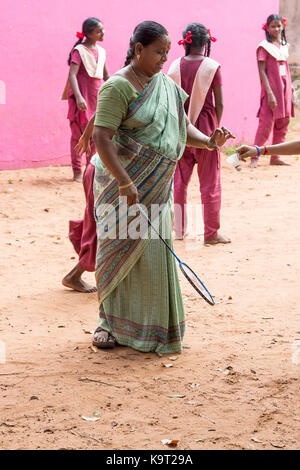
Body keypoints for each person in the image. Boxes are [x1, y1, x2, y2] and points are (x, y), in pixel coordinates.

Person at [89, 21, 234, 352]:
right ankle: (107, 324)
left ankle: (149, 329)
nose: (163, 58)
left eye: (167, 52)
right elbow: (101, 137)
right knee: (116, 253)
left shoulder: (166, 86)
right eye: (158, 52)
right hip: (122, 189)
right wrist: (125, 181)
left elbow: (183, 126)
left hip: (157, 189)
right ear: (139, 50)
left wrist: (210, 142)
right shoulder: (118, 87)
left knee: (152, 257)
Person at [168, 23, 230, 245]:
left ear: (185, 41)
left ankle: (178, 230)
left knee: (178, 181)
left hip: (180, 129)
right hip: (206, 127)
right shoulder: (212, 67)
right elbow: (219, 103)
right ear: (206, 43)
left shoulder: (174, 67)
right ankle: (211, 233)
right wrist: (215, 127)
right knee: (210, 182)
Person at [62, 17, 109, 182]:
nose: (103, 33)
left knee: (95, 135)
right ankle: (77, 172)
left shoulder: (102, 52)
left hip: (97, 99)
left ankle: (91, 170)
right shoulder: (79, 51)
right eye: (99, 31)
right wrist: (79, 97)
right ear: (89, 34)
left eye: (102, 30)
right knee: (78, 135)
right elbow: (72, 75)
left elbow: (106, 76)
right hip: (82, 99)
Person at [250, 14, 295, 168]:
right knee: (266, 125)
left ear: (283, 26)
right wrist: (269, 93)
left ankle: (275, 157)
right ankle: (254, 156)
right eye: (273, 26)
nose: (276, 29)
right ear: (267, 29)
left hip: (285, 90)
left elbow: (286, 70)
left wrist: (291, 89)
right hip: (272, 91)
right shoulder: (264, 47)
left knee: (283, 123)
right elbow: (262, 71)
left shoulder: (283, 46)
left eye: (278, 25)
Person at [62, 118, 97, 293]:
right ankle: (74, 275)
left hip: (102, 168)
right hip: (105, 171)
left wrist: (85, 135)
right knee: (100, 225)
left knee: (97, 222)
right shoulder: (123, 90)